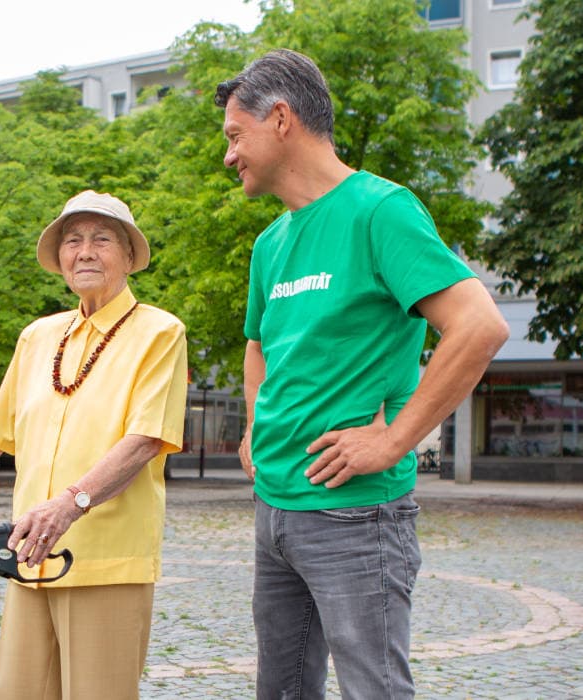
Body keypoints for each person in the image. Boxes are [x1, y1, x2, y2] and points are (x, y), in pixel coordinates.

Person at [216, 49, 509, 699]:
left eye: (237, 136)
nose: (229, 155)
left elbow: (479, 325)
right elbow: (259, 348)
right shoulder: (272, 244)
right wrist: (254, 428)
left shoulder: (382, 211)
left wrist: (394, 439)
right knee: (284, 689)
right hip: (277, 510)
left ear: (282, 119)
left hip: (356, 516)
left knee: (372, 689)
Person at [0, 190, 188, 700]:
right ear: (60, 258)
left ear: (130, 256)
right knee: (19, 692)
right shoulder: (38, 336)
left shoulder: (160, 332)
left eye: (101, 239)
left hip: (106, 560)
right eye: (73, 240)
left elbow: (144, 440)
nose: (85, 251)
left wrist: (70, 503)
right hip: (29, 556)